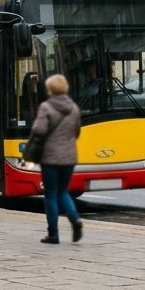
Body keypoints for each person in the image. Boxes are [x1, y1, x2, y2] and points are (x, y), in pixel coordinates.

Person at [30, 74, 83, 245]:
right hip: (69, 158)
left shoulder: (46, 107)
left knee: (51, 194)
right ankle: (75, 220)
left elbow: (39, 130)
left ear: (50, 90)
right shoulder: (74, 108)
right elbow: (77, 132)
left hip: (50, 158)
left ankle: (53, 234)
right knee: (63, 191)